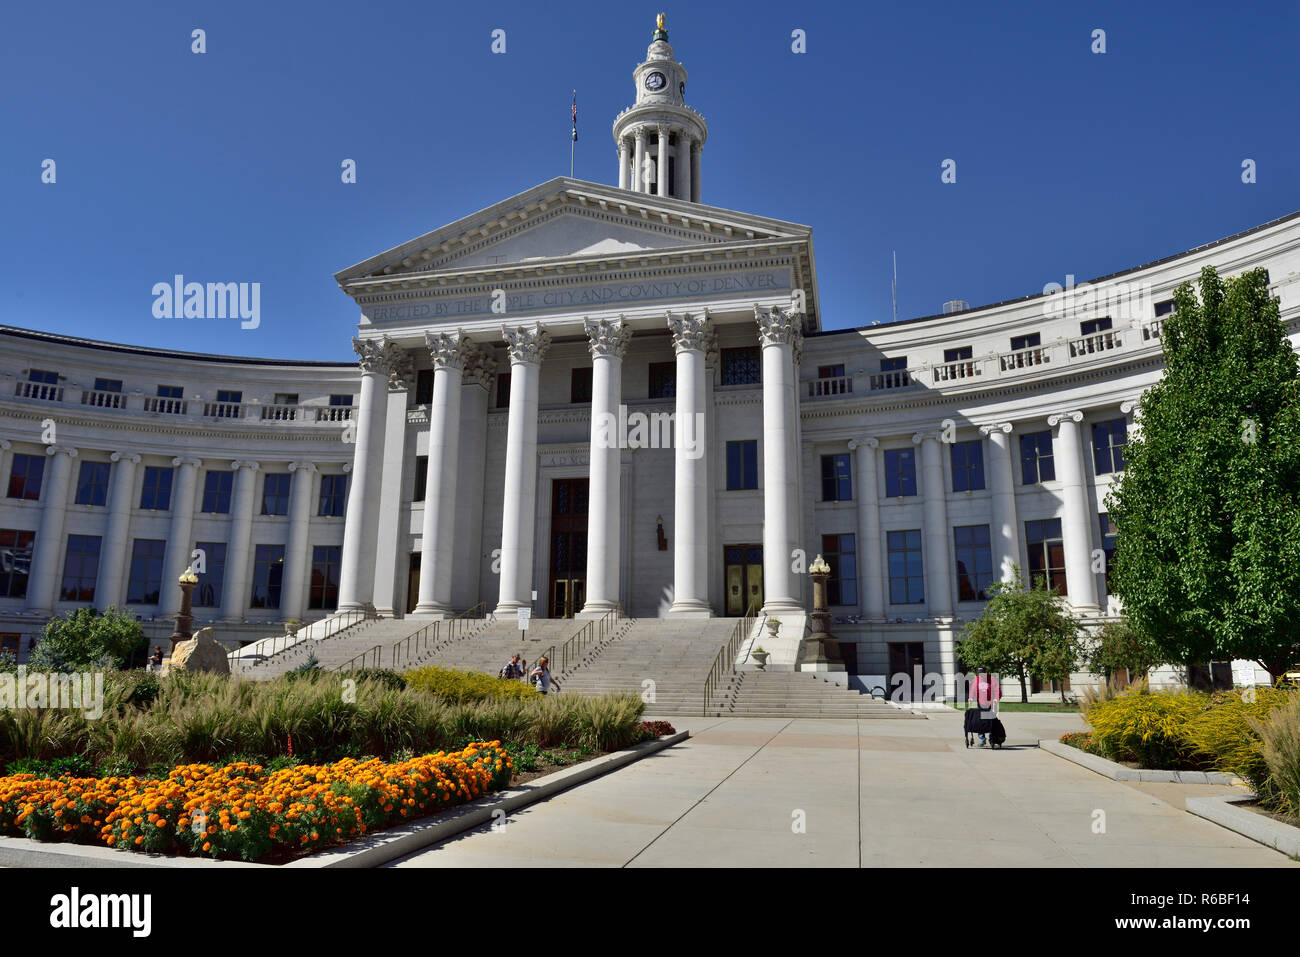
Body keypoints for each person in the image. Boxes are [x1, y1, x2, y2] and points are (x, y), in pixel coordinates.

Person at [968, 666, 1002, 747]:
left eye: (982, 673)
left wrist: (996, 698)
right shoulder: (977, 679)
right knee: (981, 721)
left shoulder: (991, 679)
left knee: (990, 721)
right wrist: (971, 697)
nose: (981, 675)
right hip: (980, 703)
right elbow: (973, 689)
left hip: (991, 704)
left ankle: (992, 738)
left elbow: (997, 690)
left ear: (986, 672)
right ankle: (982, 740)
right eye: (979, 673)